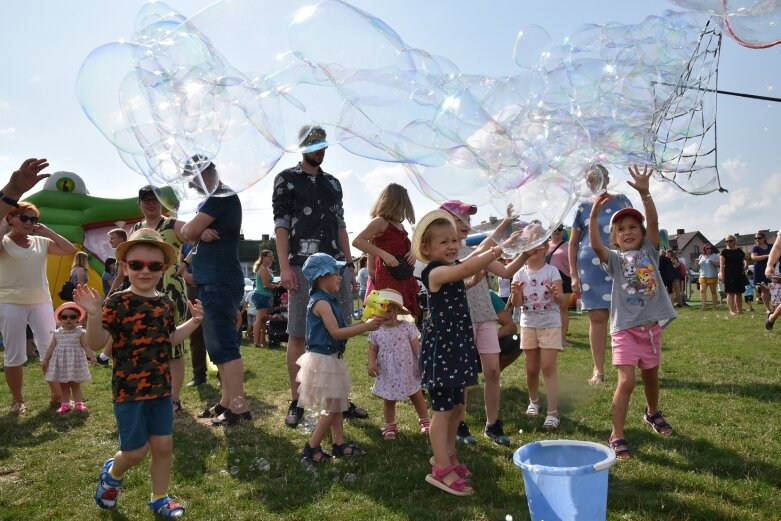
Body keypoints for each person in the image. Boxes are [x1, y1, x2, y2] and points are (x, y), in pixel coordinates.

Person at [75, 228, 203, 517]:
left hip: (160, 389)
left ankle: (160, 497)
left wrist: (194, 323)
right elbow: (96, 343)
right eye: (136, 264)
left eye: (154, 265)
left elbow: (169, 338)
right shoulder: (116, 302)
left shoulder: (167, 304)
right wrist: (94, 315)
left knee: (163, 444)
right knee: (134, 452)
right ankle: (112, 473)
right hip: (128, 391)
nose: (145, 271)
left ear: (164, 268)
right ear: (124, 267)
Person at [412, 208, 512, 496]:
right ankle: (440, 469)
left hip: (456, 345)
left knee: (458, 408)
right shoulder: (435, 271)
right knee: (442, 412)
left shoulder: (450, 270)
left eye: (453, 240)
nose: (453, 246)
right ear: (426, 249)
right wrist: (499, 249)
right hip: (442, 349)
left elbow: (466, 275)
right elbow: (466, 267)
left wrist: (500, 235)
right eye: (444, 242)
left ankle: (449, 455)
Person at [272, 126, 366, 428]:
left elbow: (341, 226)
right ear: (301, 146)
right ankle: (297, 400)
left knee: (338, 332)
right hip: (302, 266)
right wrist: (285, 267)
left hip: (336, 267)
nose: (320, 150)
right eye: (313, 144)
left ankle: (337, 398)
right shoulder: (286, 179)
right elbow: (281, 226)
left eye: (323, 145)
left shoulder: (333, 184)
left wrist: (349, 267)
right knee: (299, 332)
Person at [588, 165, 676, 461]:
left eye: (632, 228)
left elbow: (653, 221)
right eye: (621, 229)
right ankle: (617, 434)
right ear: (614, 237)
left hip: (650, 329)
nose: (627, 232)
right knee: (627, 381)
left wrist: (645, 194)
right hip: (625, 329)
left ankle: (652, 413)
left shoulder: (650, 251)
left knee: (651, 377)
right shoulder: (613, 259)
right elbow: (596, 245)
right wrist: (592, 215)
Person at [440, 201, 526, 446]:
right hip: (461, 321)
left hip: (486, 317)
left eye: (467, 220)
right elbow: (490, 246)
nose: (466, 225)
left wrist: (524, 252)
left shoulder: (474, 251)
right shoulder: (444, 256)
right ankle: (459, 423)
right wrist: (504, 230)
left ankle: (492, 424)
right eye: (459, 219)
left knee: (492, 371)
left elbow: (506, 272)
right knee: (464, 376)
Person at [181, 158, 249, 427]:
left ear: (205, 171)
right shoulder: (218, 198)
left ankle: (238, 407)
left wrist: (196, 232)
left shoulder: (221, 195)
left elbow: (187, 231)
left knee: (225, 345)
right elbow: (192, 233)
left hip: (220, 281)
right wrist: (198, 233)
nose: (190, 184)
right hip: (215, 281)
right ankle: (226, 401)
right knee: (218, 346)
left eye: (192, 177)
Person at [297, 253, 380, 463]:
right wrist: (366, 327)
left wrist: (365, 322)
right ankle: (311, 447)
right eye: (336, 273)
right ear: (321, 276)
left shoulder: (328, 300)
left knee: (338, 403)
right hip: (323, 360)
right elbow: (335, 333)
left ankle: (339, 443)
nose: (339, 277)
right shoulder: (321, 303)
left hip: (331, 357)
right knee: (334, 407)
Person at [0, 201, 75, 413]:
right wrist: (3, 227)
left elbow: (68, 249)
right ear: (10, 218)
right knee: (14, 354)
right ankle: (17, 400)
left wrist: (48, 231)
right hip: (9, 302)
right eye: (24, 217)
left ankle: (58, 395)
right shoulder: (4, 241)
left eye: (34, 219)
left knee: (50, 349)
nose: (30, 223)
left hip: (41, 301)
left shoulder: (41, 241)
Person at [569, 164, 634, 385]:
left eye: (600, 177)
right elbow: (573, 243)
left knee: (624, 316)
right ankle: (598, 370)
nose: (595, 181)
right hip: (590, 267)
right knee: (597, 318)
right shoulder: (583, 207)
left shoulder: (621, 200)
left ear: (607, 178)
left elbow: (634, 230)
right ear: (586, 182)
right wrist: (574, 275)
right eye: (591, 178)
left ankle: (625, 366)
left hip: (621, 264)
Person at [129, 186, 188, 412]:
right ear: (139, 203)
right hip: (141, 294)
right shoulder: (135, 228)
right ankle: (152, 393)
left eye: (154, 199)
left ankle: (173, 399)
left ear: (162, 202)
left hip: (171, 294)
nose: (150, 203)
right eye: (145, 199)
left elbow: (199, 238)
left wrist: (187, 264)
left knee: (173, 347)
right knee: (146, 345)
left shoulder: (173, 225)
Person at [511, 228, 566, 430]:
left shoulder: (552, 271)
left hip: (550, 324)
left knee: (548, 367)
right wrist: (516, 293)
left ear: (545, 248)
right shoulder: (519, 273)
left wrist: (555, 294)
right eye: (530, 243)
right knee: (531, 369)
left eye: (539, 243)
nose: (535, 247)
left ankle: (553, 412)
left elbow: (561, 301)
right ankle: (533, 401)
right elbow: (517, 304)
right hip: (528, 325)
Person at [366, 289, 430, 440]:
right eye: (383, 311)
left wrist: (422, 363)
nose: (386, 315)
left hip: (408, 369)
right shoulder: (375, 330)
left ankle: (425, 421)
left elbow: (416, 347)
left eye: (390, 311)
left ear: (397, 311)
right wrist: (371, 363)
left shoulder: (407, 327)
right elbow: (372, 349)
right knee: (389, 400)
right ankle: (390, 425)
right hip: (388, 371)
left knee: (417, 395)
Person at [352, 183, 420, 317]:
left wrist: (413, 253)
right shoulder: (380, 222)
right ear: (396, 203)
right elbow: (357, 241)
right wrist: (383, 254)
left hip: (404, 278)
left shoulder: (400, 225)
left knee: (403, 321)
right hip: (388, 280)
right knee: (388, 319)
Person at [42, 302, 96, 413]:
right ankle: (65, 404)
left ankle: (78, 403)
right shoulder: (57, 333)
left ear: (78, 318)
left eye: (72, 317)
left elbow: (85, 345)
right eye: (64, 317)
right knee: (64, 385)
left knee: (75, 385)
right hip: (61, 363)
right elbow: (52, 347)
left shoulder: (80, 332)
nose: (68, 319)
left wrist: (92, 356)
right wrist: (46, 359)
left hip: (75, 363)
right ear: (60, 318)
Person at [546, 224, 572, 345]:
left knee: (563, 309)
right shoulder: (545, 246)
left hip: (565, 279)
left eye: (560, 229)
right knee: (547, 307)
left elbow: (575, 264)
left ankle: (562, 338)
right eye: (554, 229)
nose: (557, 231)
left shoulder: (569, 246)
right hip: (547, 279)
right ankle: (549, 335)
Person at [252, 250, 280, 348]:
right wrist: (278, 286)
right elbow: (266, 285)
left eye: (272, 255)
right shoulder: (263, 269)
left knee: (263, 320)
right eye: (270, 256)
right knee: (259, 320)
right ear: (264, 257)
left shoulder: (265, 269)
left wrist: (276, 284)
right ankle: (256, 342)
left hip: (263, 296)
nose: (272, 257)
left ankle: (262, 341)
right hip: (262, 296)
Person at [720, 234, 747, 315]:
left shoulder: (739, 251)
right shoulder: (724, 252)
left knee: (739, 292)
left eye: (730, 241)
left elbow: (746, 258)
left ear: (734, 241)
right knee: (730, 292)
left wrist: (746, 265)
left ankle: (739, 310)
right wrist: (722, 275)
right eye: (727, 241)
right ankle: (732, 310)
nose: (728, 242)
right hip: (729, 274)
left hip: (739, 273)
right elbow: (721, 264)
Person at [751, 231, 773, 314]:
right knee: (764, 290)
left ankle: (775, 306)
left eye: (759, 238)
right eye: (756, 238)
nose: (757, 239)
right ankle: (767, 308)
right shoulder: (755, 248)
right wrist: (767, 256)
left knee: (775, 288)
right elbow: (754, 257)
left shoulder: (771, 246)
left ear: (764, 238)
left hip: (772, 270)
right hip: (760, 270)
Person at [697, 244, 720, 310]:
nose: (709, 249)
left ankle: (714, 307)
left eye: (710, 248)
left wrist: (713, 262)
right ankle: (703, 307)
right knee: (702, 291)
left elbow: (719, 265)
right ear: (704, 249)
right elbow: (699, 267)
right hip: (702, 276)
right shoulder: (701, 256)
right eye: (707, 248)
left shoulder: (715, 256)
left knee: (713, 291)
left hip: (712, 276)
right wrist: (696, 263)